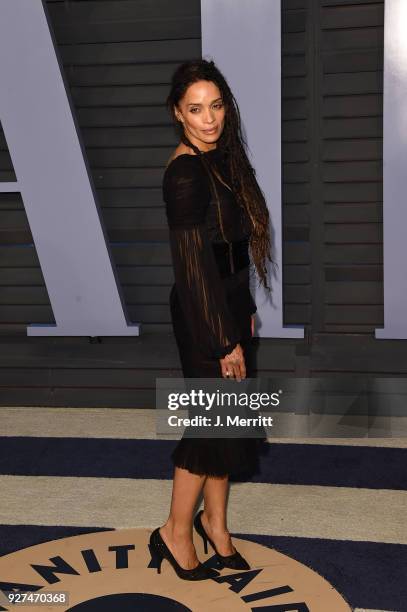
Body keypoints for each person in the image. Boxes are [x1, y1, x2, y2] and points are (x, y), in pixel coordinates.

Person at [148, 59, 272, 581]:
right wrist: (225, 342)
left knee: (228, 426)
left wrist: (243, 318)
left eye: (216, 106)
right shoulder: (183, 173)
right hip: (205, 316)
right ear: (178, 114)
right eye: (196, 109)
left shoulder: (220, 158)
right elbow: (194, 264)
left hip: (231, 304)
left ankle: (215, 526)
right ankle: (175, 531)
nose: (209, 118)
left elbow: (232, 250)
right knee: (207, 427)